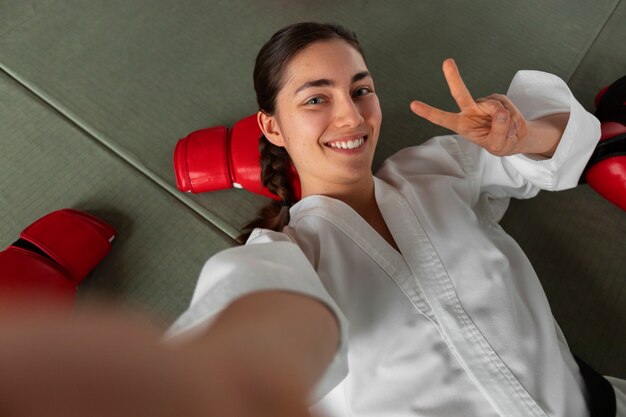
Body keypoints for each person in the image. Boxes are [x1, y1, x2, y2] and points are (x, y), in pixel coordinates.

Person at [0, 21, 623, 417]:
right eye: (316, 99)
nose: (352, 116)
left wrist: (521, 135)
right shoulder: (283, 257)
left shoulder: (434, 173)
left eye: (361, 89)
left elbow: (560, 147)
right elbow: (263, 323)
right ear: (272, 125)